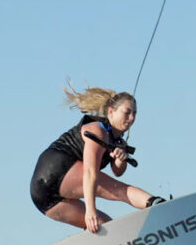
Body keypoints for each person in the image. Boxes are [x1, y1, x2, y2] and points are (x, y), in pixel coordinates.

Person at [30, 85, 165, 233]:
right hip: (55, 170)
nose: (131, 118)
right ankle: (159, 205)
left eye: (134, 113)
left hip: (43, 198)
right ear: (111, 112)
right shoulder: (98, 131)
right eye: (127, 112)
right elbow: (90, 173)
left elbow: (117, 172)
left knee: (106, 228)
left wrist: (120, 160)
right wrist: (90, 210)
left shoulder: (118, 142)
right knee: (119, 191)